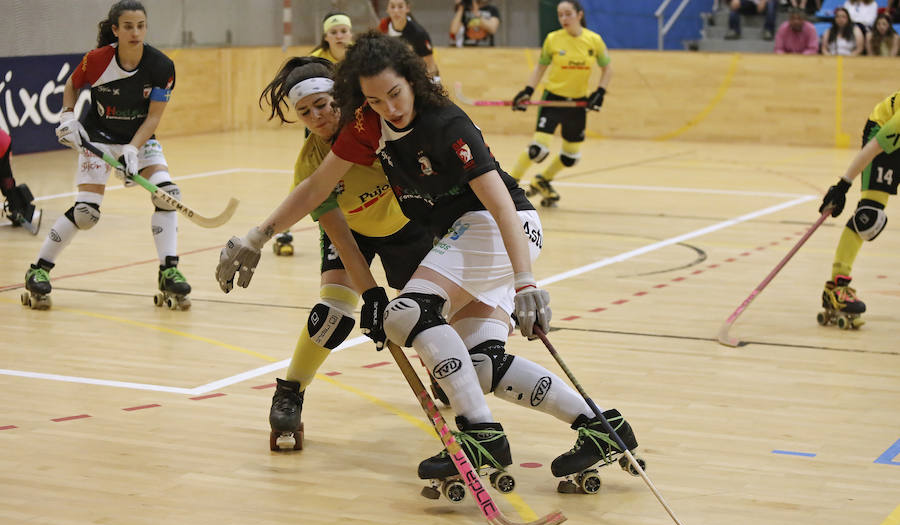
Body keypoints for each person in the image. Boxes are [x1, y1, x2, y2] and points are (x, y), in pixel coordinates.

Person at [216, 31, 642, 494]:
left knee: (409, 313)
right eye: (375, 100)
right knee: (478, 364)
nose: (390, 108)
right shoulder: (367, 125)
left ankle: (481, 435)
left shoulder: (446, 125)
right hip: (470, 236)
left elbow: (501, 206)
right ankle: (602, 428)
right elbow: (317, 188)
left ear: (412, 79)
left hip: (500, 227)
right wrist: (257, 236)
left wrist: (525, 283)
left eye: (395, 94)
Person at [257, 55, 434, 450]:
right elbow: (339, 234)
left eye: (321, 104)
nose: (316, 116)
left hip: (406, 225)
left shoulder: (375, 126)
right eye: (305, 112)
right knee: (333, 315)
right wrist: (370, 292)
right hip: (354, 232)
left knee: (426, 314)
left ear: (339, 97)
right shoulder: (311, 165)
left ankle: (440, 368)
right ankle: (291, 391)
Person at [22, 0, 187, 311]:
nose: (135, 32)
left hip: (140, 139)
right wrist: (68, 116)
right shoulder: (97, 60)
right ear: (116, 30)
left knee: (167, 195)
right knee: (86, 213)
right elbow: (72, 85)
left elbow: (153, 118)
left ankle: (169, 270)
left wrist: (132, 150)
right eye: (128, 27)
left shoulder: (162, 66)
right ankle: (38, 269)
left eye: (141, 26)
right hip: (96, 139)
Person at [508, 1, 611, 207]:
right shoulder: (553, 39)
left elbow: (607, 69)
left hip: (578, 104)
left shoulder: (594, 40)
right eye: (560, 15)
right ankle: (508, 185)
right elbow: (540, 68)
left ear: (579, 15)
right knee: (538, 150)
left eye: (568, 14)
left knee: (571, 157)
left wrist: (600, 92)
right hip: (553, 100)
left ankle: (543, 180)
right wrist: (528, 91)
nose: (564, 19)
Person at [273, 12, 355, 258]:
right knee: (312, 172)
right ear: (326, 37)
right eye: (334, 32)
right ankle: (283, 228)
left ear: (350, 33)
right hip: (322, 122)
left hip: (348, 120)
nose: (339, 36)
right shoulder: (317, 61)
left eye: (343, 31)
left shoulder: (357, 59)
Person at [816, 89, 900, 328]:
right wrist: (842, 186)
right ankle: (837, 287)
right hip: (883, 136)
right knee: (870, 217)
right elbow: (874, 147)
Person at [379, 0, 441, 82]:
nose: (396, 11)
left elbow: (430, 66)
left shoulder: (419, 34)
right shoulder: (383, 28)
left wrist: (432, 85)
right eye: (392, 7)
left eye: (400, 7)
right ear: (387, 9)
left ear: (407, 8)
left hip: (419, 77)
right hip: (396, 75)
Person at [1, 128, 41, 234]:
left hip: (2, 143)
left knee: (5, 178)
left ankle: (17, 208)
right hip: (4, 139)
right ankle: (17, 208)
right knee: (6, 177)